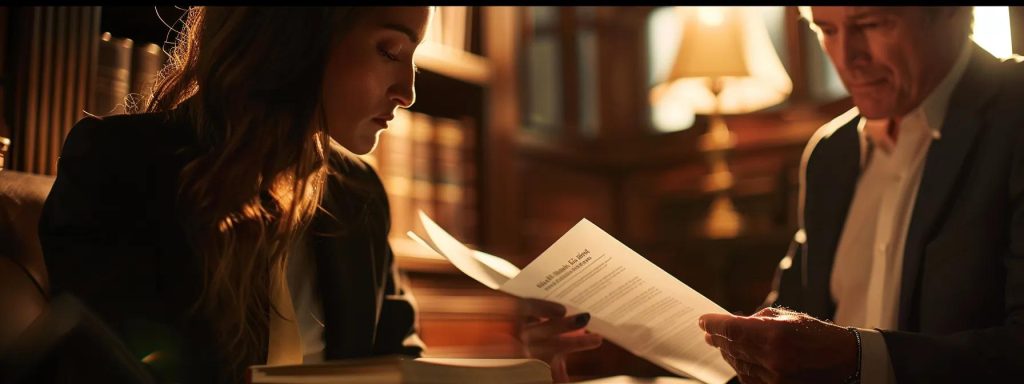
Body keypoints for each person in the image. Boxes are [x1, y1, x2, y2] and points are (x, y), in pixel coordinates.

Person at [38, 6, 598, 383]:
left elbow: (396, 364)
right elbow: (108, 366)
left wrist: (519, 367)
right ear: (300, 38)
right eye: (389, 50)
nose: (407, 92)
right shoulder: (121, 162)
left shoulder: (358, 196)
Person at [698, 6, 1024, 384]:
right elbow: (787, 316)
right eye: (826, 30)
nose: (847, 58)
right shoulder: (830, 152)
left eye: (871, 24)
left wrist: (856, 357)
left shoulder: (1015, 112)